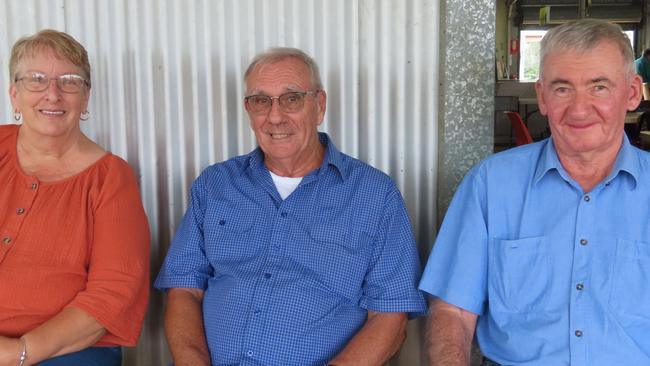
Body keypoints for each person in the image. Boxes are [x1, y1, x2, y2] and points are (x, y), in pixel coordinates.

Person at [155, 47, 427, 365]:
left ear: (320, 105)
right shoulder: (216, 185)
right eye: (261, 101)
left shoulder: (374, 195)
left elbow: (390, 316)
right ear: (248, 109)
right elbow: (184, 288)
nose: (274, 116)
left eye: (292, 98)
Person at [419, 19, 647, 365]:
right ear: (541, 96)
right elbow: (453, 311)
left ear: (631, 93)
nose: (579, 108)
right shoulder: (491, 184)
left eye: (599, 87)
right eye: (562, 88)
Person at [0, 30, 150, 366]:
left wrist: (19, 352)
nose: (52, 94)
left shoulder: (111, 178)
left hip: (64, 352)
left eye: (69, 81)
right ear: (14, 94)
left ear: (85, 98)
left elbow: (113, 294)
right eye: (36, 79)